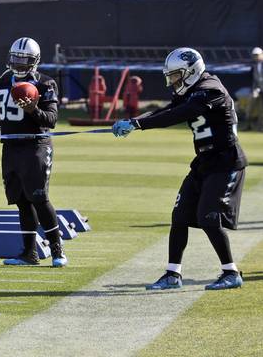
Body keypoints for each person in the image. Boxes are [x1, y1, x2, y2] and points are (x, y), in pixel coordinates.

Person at [112, 47, 248, 290]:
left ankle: (231, 272)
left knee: (208, 217)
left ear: (191, 71)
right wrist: (135, 121)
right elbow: (168, 109)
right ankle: (172, 275)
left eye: (176, 75)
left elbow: (181, 113)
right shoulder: (194, 90)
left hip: (225, 162)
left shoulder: (211, 89)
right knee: (180, 216)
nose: (173, 81)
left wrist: (139, 124)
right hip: (204, 162)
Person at [0, 37, 67, 267]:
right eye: (15, 60)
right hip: (11, 148)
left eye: (24, 61)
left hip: (35, 147)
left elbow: (51, 120)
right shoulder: (2, 81)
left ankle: (57, 250)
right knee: (21, 201)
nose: (19, 65)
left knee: (39, 198)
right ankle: (29, 253)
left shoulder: (45, 83)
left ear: (35, 61)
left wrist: (33, 109)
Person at [245, 46, 263, 130]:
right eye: (254, 55)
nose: (256, 56)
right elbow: (254, 80)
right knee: (249, 108)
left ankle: (260, 128)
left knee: (261, 110)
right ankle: (249, 126)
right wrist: (254, 90)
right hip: (257, 90)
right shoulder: (254, 66)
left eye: (257, 55)